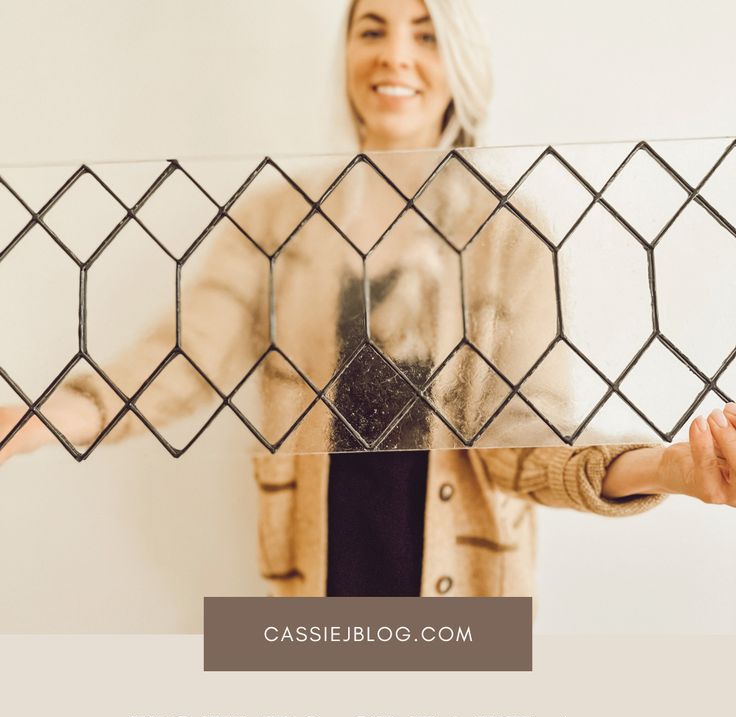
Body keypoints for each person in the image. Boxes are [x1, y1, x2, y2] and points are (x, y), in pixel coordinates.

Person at [0, 0, 734, 602]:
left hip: (470, 606)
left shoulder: (511, 235)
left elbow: (526, 439)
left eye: (425, 33)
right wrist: (39, 420)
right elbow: (180, 359)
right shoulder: (276, 221)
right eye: (372, 29)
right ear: (346, 53)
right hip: (310, 592)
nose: (395, 56)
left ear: (459, 62)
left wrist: (668, 469)